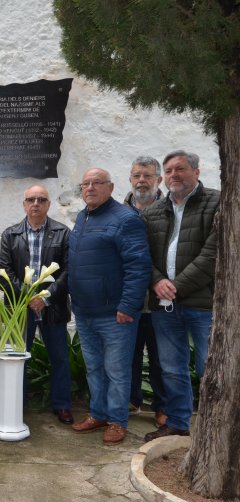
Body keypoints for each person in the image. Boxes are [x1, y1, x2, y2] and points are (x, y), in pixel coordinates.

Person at [68, 168, 150, 445]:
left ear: (110, 187)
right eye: (85, 183)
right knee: (94, 368)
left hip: (115, 313)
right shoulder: (83, 216)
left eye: (97, 183)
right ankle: (98, 413)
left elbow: (138, 266)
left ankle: (117, 420)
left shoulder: (126, 219)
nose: (90, 188)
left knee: (116, 370)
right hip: (85, 311)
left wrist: (128, 306)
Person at [142, 150, 218, 442]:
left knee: (209, 368)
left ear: (196, 172)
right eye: (169, 170)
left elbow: (214, 254)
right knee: (172, 368)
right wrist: (157, 280)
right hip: (165, 306)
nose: (174, 175)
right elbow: (141, 256)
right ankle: (177, 423)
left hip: (204, 303)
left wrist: (176, 286)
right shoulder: (153, 212)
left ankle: (215, 428)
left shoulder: (217, 202)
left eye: (180, 169)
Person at [0, 185, 73, 424]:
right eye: (31, 199)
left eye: (41, 199)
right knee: (19, 357)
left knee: (59, 358)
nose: (36, 204)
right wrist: (28, 297)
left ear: (48, 205)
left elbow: (69, 271)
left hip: (53, 307)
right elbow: (3, 271)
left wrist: (46, 297)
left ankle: (62, 405)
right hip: (20, 308)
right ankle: (18, 403)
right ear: (24, 204)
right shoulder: (11, 234)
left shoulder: (63, 233)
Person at [123, 156, 166, 426]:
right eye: (137, 175)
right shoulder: (119, 212)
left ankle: (163, 407)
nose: (142, 180)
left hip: (162, 300)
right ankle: (131, 400)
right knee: (129, 355)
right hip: (129, 300)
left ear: (158, 180)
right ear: (130, 179)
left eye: (148, 175)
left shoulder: (172, 209)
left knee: (162, 358)